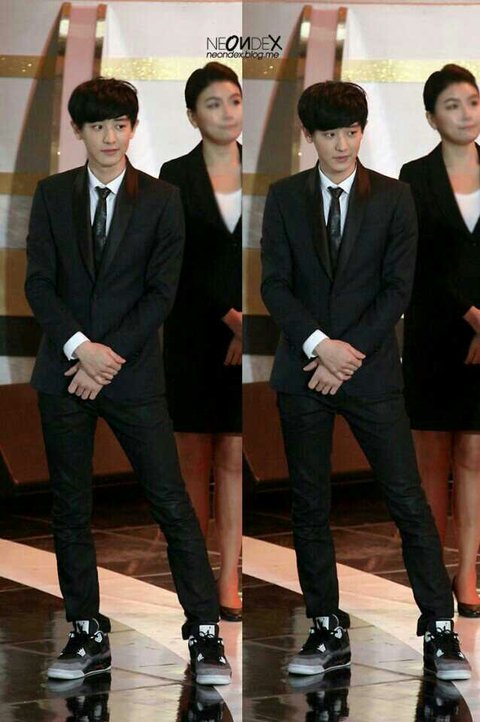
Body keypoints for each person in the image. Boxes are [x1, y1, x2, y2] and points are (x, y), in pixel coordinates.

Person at [260, 80, 471, 680]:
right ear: (309, 136)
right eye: (330, 134)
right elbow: (275, 283)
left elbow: (398, 288)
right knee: (309, 506)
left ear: (362, 132)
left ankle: (440, 629)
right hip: (305, 371)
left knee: (408, 500)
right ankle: (326, 627)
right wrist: (320, 346)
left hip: (370, 371)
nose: (342, 145)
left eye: (351, 132)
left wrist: (347, 354)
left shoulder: (395, 197)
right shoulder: (284, 197)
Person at [24, 77, 231, 685]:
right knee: (70, 510)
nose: (110, 137)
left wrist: (107, 357)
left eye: (120, 125)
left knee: (172, 504)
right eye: (98, 126)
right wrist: (80, 349)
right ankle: (85, 633)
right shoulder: (52, 194)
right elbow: (40, 283)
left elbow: (161, 292)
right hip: (66, 372)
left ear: (133, 128)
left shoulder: (163, 199)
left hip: (132, 374)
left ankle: (205, 633)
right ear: (79, 132)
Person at [159, 62, 242, 621]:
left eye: (234, 101)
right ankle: (193, 580)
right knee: (192, 461)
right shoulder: (175, 175)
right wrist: (227, 316)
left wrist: (248, 321)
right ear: (193, 116)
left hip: (248, 336)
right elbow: (174, 261)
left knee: (234, 457)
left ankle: (230, 579)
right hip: (194, 331)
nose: (227, 112)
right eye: (213, 103)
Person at [400, 64, 480, 617]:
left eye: (472, 102)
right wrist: (469, 314)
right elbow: (414, 262)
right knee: (430, 461)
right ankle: (430, 576)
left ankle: (468, 571)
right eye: (452, 105)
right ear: (431, 117)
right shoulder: (414, 176)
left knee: (474, 456)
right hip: (433, 332)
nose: (466, 114)